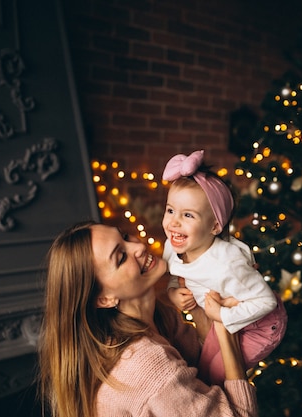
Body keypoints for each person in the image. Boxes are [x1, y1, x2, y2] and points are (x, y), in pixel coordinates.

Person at [38, 220, 258, 417]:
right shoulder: (146, 365)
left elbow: (206, 365)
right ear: (104, 299)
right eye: (121, 257)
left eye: (125, 237)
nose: (139, 246)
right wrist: (225, 322)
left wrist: (206, 302)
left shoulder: (160, 318)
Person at [162, 150, 288, 385]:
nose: (174, 222)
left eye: (188, 215)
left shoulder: (227, 264)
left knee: (215, 378)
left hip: (259, 324)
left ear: (214, 227)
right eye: (170, 210)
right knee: (201, 367)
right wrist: (172, 292)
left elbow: (266, 302)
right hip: (222, 314)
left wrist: (222, 315)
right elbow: (174, 273)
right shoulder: (172, 245)